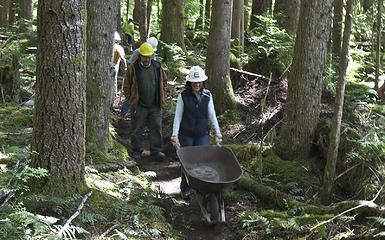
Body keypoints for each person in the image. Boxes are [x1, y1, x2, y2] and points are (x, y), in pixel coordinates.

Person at [170, 66, 222, 199]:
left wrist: (218, 133)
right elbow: (178, 116)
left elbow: (212, 115)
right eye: (195, 82)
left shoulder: (207, 95)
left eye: (199, 82)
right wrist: (174, 135)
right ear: (190, 82)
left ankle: (203, 188)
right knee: (187, 163)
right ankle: (185, 189)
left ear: (203, 82)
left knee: (203, 161)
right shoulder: (183, 96)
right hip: (186, 134)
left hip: (202, 134)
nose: (197, 84)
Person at [123, 42, 168, 161]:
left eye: (149, 56)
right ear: (140, 56)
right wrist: (131, 99)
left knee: (156, 127)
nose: (147, 59)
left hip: (155, 104)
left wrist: (163, 97)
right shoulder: (133, 67)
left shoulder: (158, 67)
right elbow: (126, 85)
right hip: (139, 105)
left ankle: (156, 151)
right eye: (144, 56)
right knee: (137, 128)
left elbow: (164, 82)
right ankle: (136, 150)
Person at [121, 36, 159, 117]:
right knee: (131, 94)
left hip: (146, 77)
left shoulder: (152, 54)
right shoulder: (137, 52)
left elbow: (153, 65)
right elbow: (130, 63)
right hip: (135, 76)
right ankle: (123, 113)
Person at [113, 31, 128, 102]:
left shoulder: (108, 46)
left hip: (110, 66)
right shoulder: (119, 47)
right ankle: (113, 95)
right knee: (113, 80)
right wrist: (125, 67)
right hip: (114, 66)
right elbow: (122, 58)